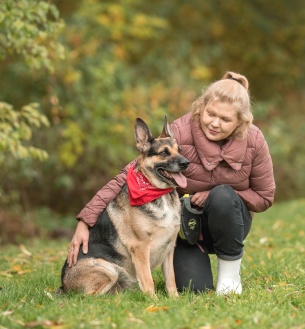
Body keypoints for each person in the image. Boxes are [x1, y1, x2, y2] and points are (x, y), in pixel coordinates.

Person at [66, 71, 275, 295]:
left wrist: (212, 194)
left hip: (230, 222)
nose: (214, 123)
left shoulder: (254, 139)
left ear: (240, 122)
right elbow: (127, 175)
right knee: (195, 289)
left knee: (222, 195)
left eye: (225, 119)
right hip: (186, 230)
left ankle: (230, 277)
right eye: (210, 114)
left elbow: (265, 197)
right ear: (201, 107)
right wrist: (85, 220)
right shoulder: (178, 132)